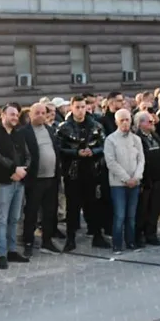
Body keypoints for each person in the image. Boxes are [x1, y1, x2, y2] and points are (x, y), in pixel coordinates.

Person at [56, 95, 108, 250]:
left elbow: (104, 145)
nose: (80, 110)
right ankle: (70, 239)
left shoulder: (96, 126)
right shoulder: (64, 127)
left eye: (83, 107)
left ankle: (97, 236)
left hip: (92, 169)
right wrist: (76, 153)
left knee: (94, 205)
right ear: (71, 108)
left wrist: (93, 151)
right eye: (77, 107)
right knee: (72, 207)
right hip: (72, 171)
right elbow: (58, 148)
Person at [0, 103, 31, 269]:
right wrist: (14, 169)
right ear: (3, 115)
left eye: (17, 115)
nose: (15, 117)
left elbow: (27, 155)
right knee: (2, 219)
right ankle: (1, 254)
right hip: (1, 181)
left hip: (19, 181)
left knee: (14, 218)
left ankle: (12, 251)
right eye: (12, 114)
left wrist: (23, 170)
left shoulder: (19, 133)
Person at [18, 102, 61, 256]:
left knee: (49, 212)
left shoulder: (50, 130)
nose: (41, 116)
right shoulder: (24, 132)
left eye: (43, 113)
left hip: (51, 177)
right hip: (35, 179)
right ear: (30, 114)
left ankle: (47, 241)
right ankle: (28, 242)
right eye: (37, 113)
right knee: (31, 212)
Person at [104, 109, 145, 254]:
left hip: (135, 182)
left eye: (127, 119)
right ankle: (117, 244)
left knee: (131, 215)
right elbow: (111, 162)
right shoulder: (110, 140)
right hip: (118, 184)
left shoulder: (136, 139)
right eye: (122, 120)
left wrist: (136, 177)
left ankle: (131, 242)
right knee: (120, 215)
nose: (125, 123)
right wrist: (127, 179)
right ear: (116, 122)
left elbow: (141, 160)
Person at [133, 111, 160, 248]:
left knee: (154, 208)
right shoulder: (136, 138)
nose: (152, 123)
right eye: (149, 121)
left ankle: (151, 234)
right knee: (142, 210)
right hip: (145, 180)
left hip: (157, 179)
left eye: (153, 121)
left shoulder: (155, 136)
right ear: (140, 123)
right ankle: (138, 235)